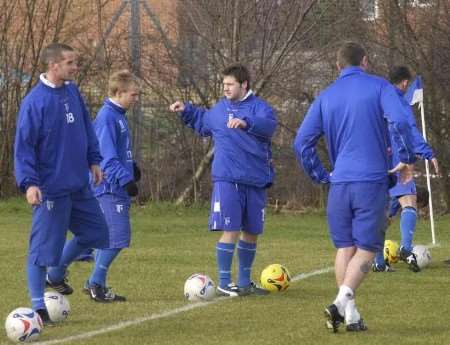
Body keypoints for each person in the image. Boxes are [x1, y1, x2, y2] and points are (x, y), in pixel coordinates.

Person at [293, 42, 417, 332]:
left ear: (338, 67)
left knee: (344, 247)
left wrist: (321, 175)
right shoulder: (381, 87)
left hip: (340, 184)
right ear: (366, 61)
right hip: (371, 181)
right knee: (367, 249)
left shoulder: (325, 97)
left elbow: (301, 143)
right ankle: (339, 302)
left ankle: (351, 316)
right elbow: (399, 120)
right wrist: (408, 158)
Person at [14, 43, 109, 324]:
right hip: (50, 189)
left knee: (97, 234)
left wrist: (94, 159)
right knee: (43, 250)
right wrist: (30, 183)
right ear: (54, 65)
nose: (75, 67)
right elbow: (24, 147)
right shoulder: (35, 102)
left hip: (78, 184)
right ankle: (38, 307)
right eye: (70, 63)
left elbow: (85, 127)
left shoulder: (72, 91)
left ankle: (56, 274)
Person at [169, 63, 277, 297]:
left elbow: (269, 127)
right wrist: (185, 110)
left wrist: (247, 122)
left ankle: (245, 282)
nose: (225, 88)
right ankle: (224, 282)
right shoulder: (219, 110)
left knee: (251, 231)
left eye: (230, 84)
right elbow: (203, 122)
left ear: (244, 84)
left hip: (256, 180)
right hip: (228, 179)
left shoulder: (260, 108)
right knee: (231, 228)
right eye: (224, 84)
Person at [373, 66, 439, 273]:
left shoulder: (377, 97)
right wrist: (426, 152)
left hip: (375, 159)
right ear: (403, 83)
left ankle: (378, 263)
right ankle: (405, 248)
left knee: (384, 215)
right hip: (397, 159)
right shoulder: (398, 101)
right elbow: (407, 128)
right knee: (409, 201)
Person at [83, 70, 141, 302]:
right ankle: (95, 283)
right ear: (118, 92)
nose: (136, 99)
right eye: (133, 95)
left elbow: (117, 151)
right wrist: (126, 180)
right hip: (108, 187)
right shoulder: (107, 116)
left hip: (114, 185)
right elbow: (106, 157)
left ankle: (96, 283)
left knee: (109, 237)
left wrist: (132, 166)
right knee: (118, 237)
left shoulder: (119, 115)